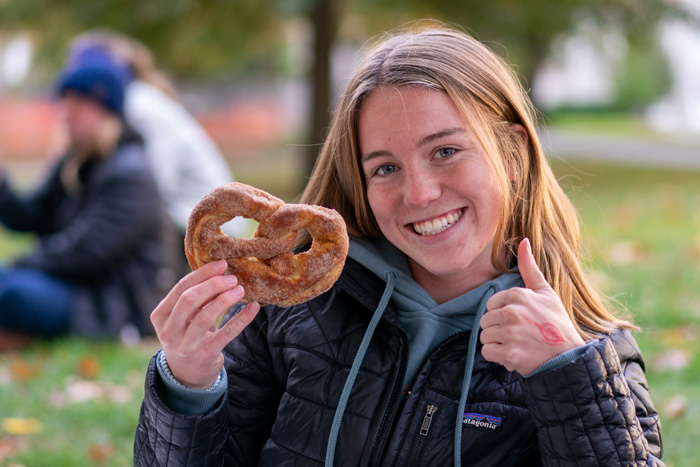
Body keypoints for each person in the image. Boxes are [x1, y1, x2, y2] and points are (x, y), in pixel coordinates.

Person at [133, 25, 664, 466]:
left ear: (514, 152)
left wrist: (566, 376)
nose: (419, 193)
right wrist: (188, 387)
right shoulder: (293, 314)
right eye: (385, 167)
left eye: (446, 150)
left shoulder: (589, 352)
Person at [0, 62, 177, 350]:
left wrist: (19, 265)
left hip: (115, 304)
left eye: (79, 103)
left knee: (14, 293)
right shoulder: (77, 163)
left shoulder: (129, 172)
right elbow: (30, 216)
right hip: (81, 286)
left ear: (108, 110)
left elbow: (85, 252)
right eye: (65, 102)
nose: (66, 113)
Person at [66, 29, 252, 273]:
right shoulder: (135, 99)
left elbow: (153, 189)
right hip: (189, 220)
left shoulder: (139, 102)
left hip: (212, 228)